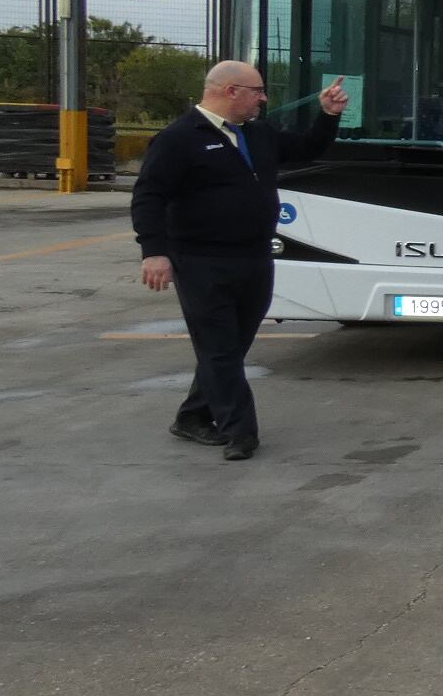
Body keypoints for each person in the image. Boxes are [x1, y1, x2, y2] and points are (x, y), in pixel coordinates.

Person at [131, 61, 348, 462]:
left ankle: (192, 416)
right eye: (257, 91)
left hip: (253, 257)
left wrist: (328, 116)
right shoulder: (180, 138)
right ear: (230, 91)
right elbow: (149, 196)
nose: (263, 99)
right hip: (200, 259)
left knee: (232, 346)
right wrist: (154, 251)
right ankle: (240, 431)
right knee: (219, 348)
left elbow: (306, 148)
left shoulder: (257, 134)